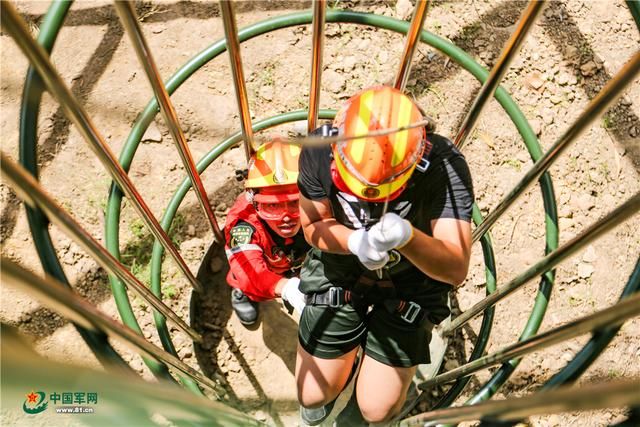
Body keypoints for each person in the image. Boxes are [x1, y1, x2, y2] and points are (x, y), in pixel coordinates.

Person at [295, 86, 474, 425]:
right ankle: (341, 374)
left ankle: (370, 402)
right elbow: (314, 224)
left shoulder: (443, 166)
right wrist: (353, 242)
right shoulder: (320, 148)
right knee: (312, 392)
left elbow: (454, 267)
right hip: (340, 268)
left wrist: (406, 237)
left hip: (412, 281)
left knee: (375, 409)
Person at [224, 139, 308, 325]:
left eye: (295, 202)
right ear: (254, 201)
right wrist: (285, 287)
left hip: (298, 262)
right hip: (266, 265)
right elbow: (250, 270)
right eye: (272, 205)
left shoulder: (319, 202)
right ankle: (241, 293)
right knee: (242, 279)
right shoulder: (243, 224)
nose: (286, 217)